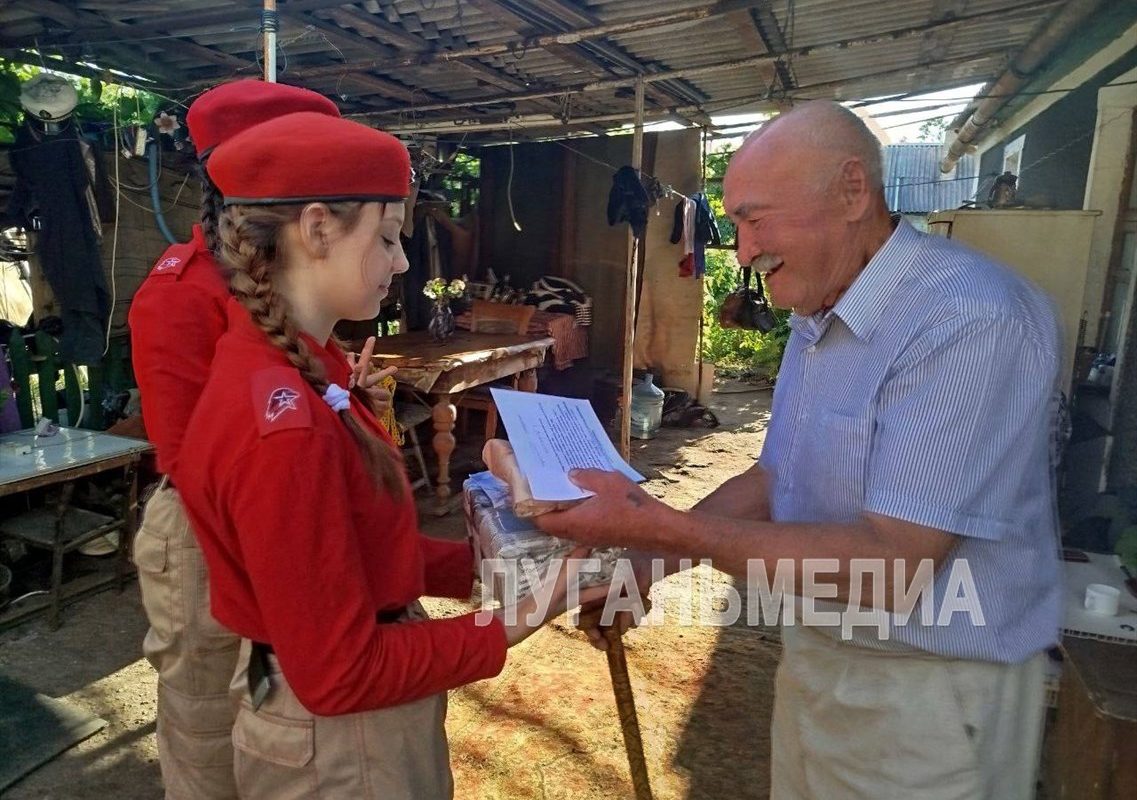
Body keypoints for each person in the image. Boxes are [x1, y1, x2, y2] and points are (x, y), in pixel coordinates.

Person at [538, 101, 1061, 800]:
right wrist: (642, 564)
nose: (744, 250)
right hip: (821, 664)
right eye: (738, 225)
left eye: (756, 219)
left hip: (931, 701)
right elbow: (775, 476)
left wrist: (653, 524)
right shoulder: (820, 313)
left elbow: (893, 566)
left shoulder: (965, 319)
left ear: (851, 191)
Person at [176, 111, 600, 798]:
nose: (402, 263)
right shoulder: (283, 419)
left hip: (347, 730)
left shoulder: (301, 372)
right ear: (318, 230)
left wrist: (498, 561)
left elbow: (355, 554)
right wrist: (521, 614)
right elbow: (339, 670)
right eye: (389, 238)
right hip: (343, 748)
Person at [128, 79, 341, 800]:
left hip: (290, 517)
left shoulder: (303, 283)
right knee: (208, 720)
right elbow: (193, 458)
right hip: (207, 533)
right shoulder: (180, 292)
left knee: (283, 723)